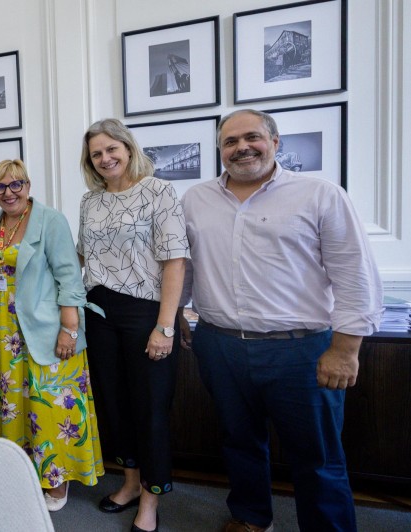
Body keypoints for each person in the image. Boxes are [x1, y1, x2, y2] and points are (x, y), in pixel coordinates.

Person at [179, 109, 382, 532]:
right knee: (239, 442)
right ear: (220, 151)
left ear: (275, 142)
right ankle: (252, 519)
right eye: (230, 142)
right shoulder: (195, 199)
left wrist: (345, 350)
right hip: (220, 345)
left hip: (302, 349)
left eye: (251, 137)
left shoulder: (320, 195)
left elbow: (354, 273)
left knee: (318, 456)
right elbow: (187, 265)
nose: (241, 148)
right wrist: (179, 310)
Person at [77, 119, 188, 532]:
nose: (105, 159)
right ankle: (129, 483)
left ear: (128, 147)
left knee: (150, 410)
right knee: (116, 405)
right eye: (96, 154)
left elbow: (174, 261)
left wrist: (166, 327)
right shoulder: (90, 201)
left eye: (111, 149)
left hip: (145, 313)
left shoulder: (159, 191)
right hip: (98, 312)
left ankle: (151, 500)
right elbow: (83, 259)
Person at [0, 159, 104, 512]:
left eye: (16, 184)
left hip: (47, 328)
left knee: (49, 406)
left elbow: (70, 277)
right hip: (4, 331)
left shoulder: (50, 220)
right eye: (0, 187)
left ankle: (57, 481)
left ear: (29, 186)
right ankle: (21, 473)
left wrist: (69, 329)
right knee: (13, 406)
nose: (9, 193)